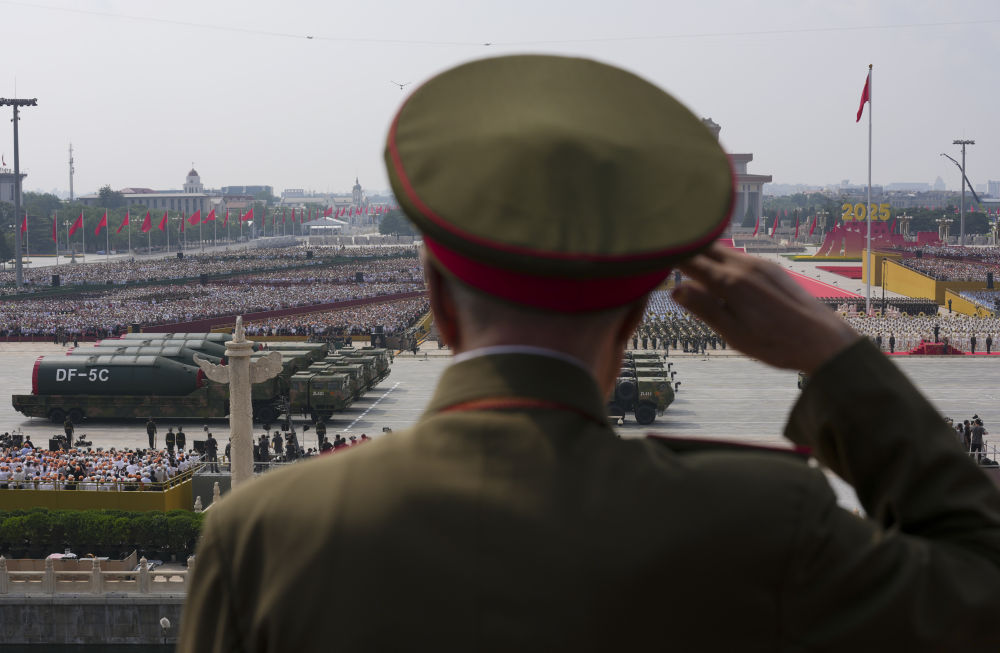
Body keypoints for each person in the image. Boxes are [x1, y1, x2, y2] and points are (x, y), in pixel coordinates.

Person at [181, 55, 1000, 651]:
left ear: (437, 295)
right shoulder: (758, 523)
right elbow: (979, 586)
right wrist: (837, 357)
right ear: (639, 307)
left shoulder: (262, 537)